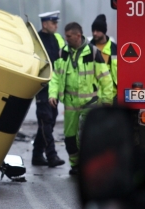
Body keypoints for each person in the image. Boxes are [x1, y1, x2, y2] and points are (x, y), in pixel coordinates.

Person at [49, 22, 114, 175]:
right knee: (70, 136)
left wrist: (107, 100)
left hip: (90, 103)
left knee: (86, 135)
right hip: (71, 104)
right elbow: (56, 77)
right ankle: (75, 165)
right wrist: (52, 94)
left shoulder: (92, 52)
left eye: (68, 36)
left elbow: (106, 79)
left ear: (78, 36)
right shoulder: (62, 53)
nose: (66, 39)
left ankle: (88, 165)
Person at [32, 11, 66, 167]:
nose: (56, 25)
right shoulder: (37, 40)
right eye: (53, 23)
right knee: (46, 120)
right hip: (43, 87)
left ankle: (37, 154)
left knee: (49, 122)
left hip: (55, 87)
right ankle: (51, 156)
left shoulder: (56, 39)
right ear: (44, 24)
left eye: (56, 23)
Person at [89, 14, 118, 105]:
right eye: (93, 30)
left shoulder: (115, 49)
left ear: (104, 31)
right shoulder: (88, 49)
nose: (94, 33)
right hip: (93, 96)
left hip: (113, 95)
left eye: (98, 31)